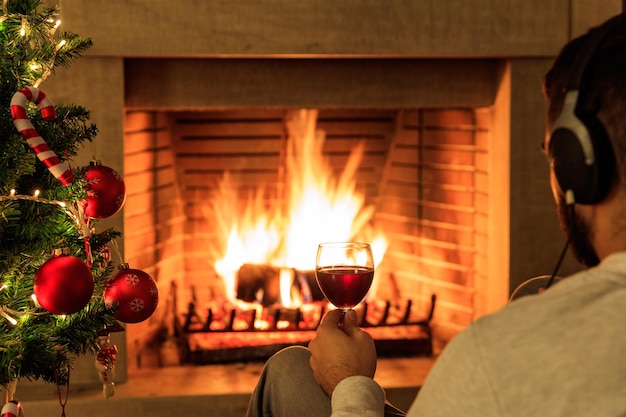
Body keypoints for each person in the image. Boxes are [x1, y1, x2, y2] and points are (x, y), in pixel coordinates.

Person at [245, 13, 626, 417]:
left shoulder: (496, 352)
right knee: (533, 291)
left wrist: (348, 382)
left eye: (552, 153)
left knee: (289, 370)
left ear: (578, 166)